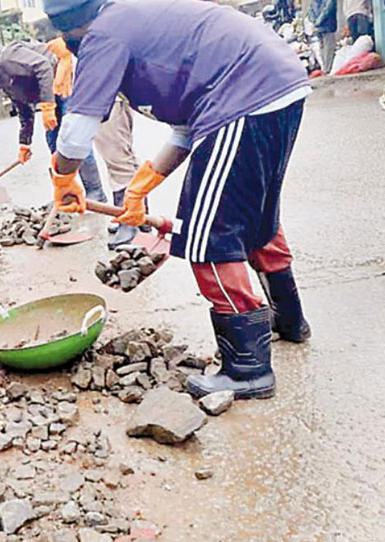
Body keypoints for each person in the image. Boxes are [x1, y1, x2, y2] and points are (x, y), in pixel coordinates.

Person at [43, 0, 312, 399]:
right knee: (251, 218)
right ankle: (289, 320)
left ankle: (248, 370)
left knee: (209, 238)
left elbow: (78, 129)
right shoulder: (137, 21)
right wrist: (142, 186)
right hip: (277, 86)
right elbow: (186, 130)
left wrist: (63, 176)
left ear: (68, 30)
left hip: (243, 96)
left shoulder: (103, 33)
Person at [0, 41, 107, 203]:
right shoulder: (5, 84)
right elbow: (24, 110)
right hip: (49, 93)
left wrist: (47, 106)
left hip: (62, 76)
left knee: (74, 139)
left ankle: (95, 192)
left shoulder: (9, 58)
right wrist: (25, 143)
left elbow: (43, 66)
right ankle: (68, 194)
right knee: (54, 144)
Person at [94, 99, 143, 248]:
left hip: (106, 93)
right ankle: (139, 216)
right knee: (122, 152)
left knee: (115, 154)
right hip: (105, 92)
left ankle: (128, 221)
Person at [310, 0, 338, 73]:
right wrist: (318, 21)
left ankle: (325, 68)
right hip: (328, 26)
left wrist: (315, 22)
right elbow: (327, 10)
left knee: (323, 48)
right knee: (328, 49)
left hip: (319, 27)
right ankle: (327, 69)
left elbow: (310, 12)